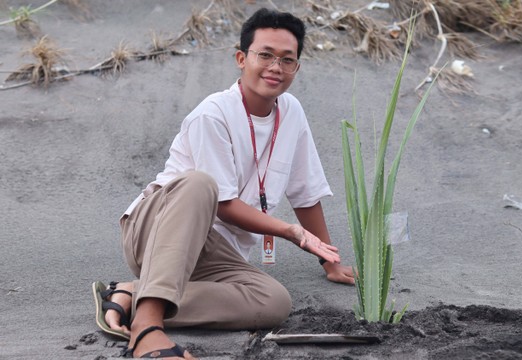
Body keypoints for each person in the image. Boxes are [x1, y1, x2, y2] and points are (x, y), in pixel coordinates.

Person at [92, 8, 354, 359]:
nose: (276, 67)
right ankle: (147, 329)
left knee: (274, 302)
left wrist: (330, 262)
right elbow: (224, 206)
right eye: (265, 55)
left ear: (296, 68)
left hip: (216, 254)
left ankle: (129, 295)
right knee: (201, 185)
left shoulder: (291, 112)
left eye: (287, 60)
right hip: (156, 231)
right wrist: (289, 231)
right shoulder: (212, 114)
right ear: (241, 58)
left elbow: (306, 192)